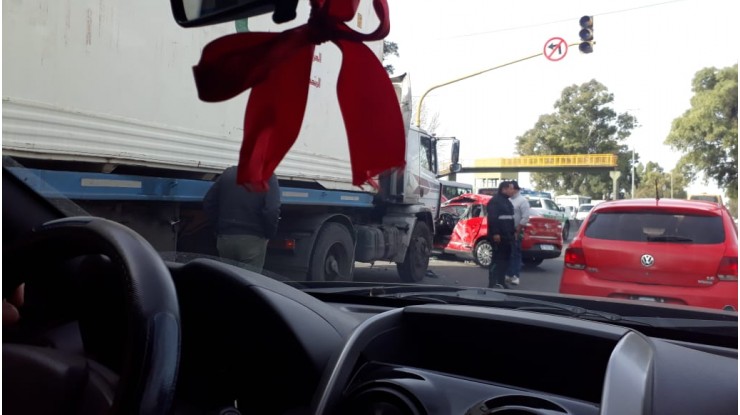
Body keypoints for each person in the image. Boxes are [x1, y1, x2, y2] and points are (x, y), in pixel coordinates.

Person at [203, 166, 281, 273]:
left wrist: (218, 228)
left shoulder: (228, 174)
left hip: (225, 239)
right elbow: (272, 209)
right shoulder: (268, 176)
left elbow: (209, 202)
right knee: (249, 282)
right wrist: (269, 234)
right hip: (253, 241)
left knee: (228, 279)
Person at [486, 181, 516, 289]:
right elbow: (493, 219)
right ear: (504, 189)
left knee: (504, 261)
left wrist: (514, 233)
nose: (513, 191)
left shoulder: (507, 202)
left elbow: (510, 220)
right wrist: (495, 233)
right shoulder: (495, 201)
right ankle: (492, 283)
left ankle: (501, 281)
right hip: (498, 237)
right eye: (511, 188)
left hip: (507, 237)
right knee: (496, 260)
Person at [505, 180, 530, 286]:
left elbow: (525, 218)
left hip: (517, 230)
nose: (509, 190)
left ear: (515, 189)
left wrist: (517, 230)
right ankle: (508, 274)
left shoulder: (522, 201)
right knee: (508, 253)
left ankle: (515, 276)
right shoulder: (508, 200)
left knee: (515, 253)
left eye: (510, 188)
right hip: (507, 230)